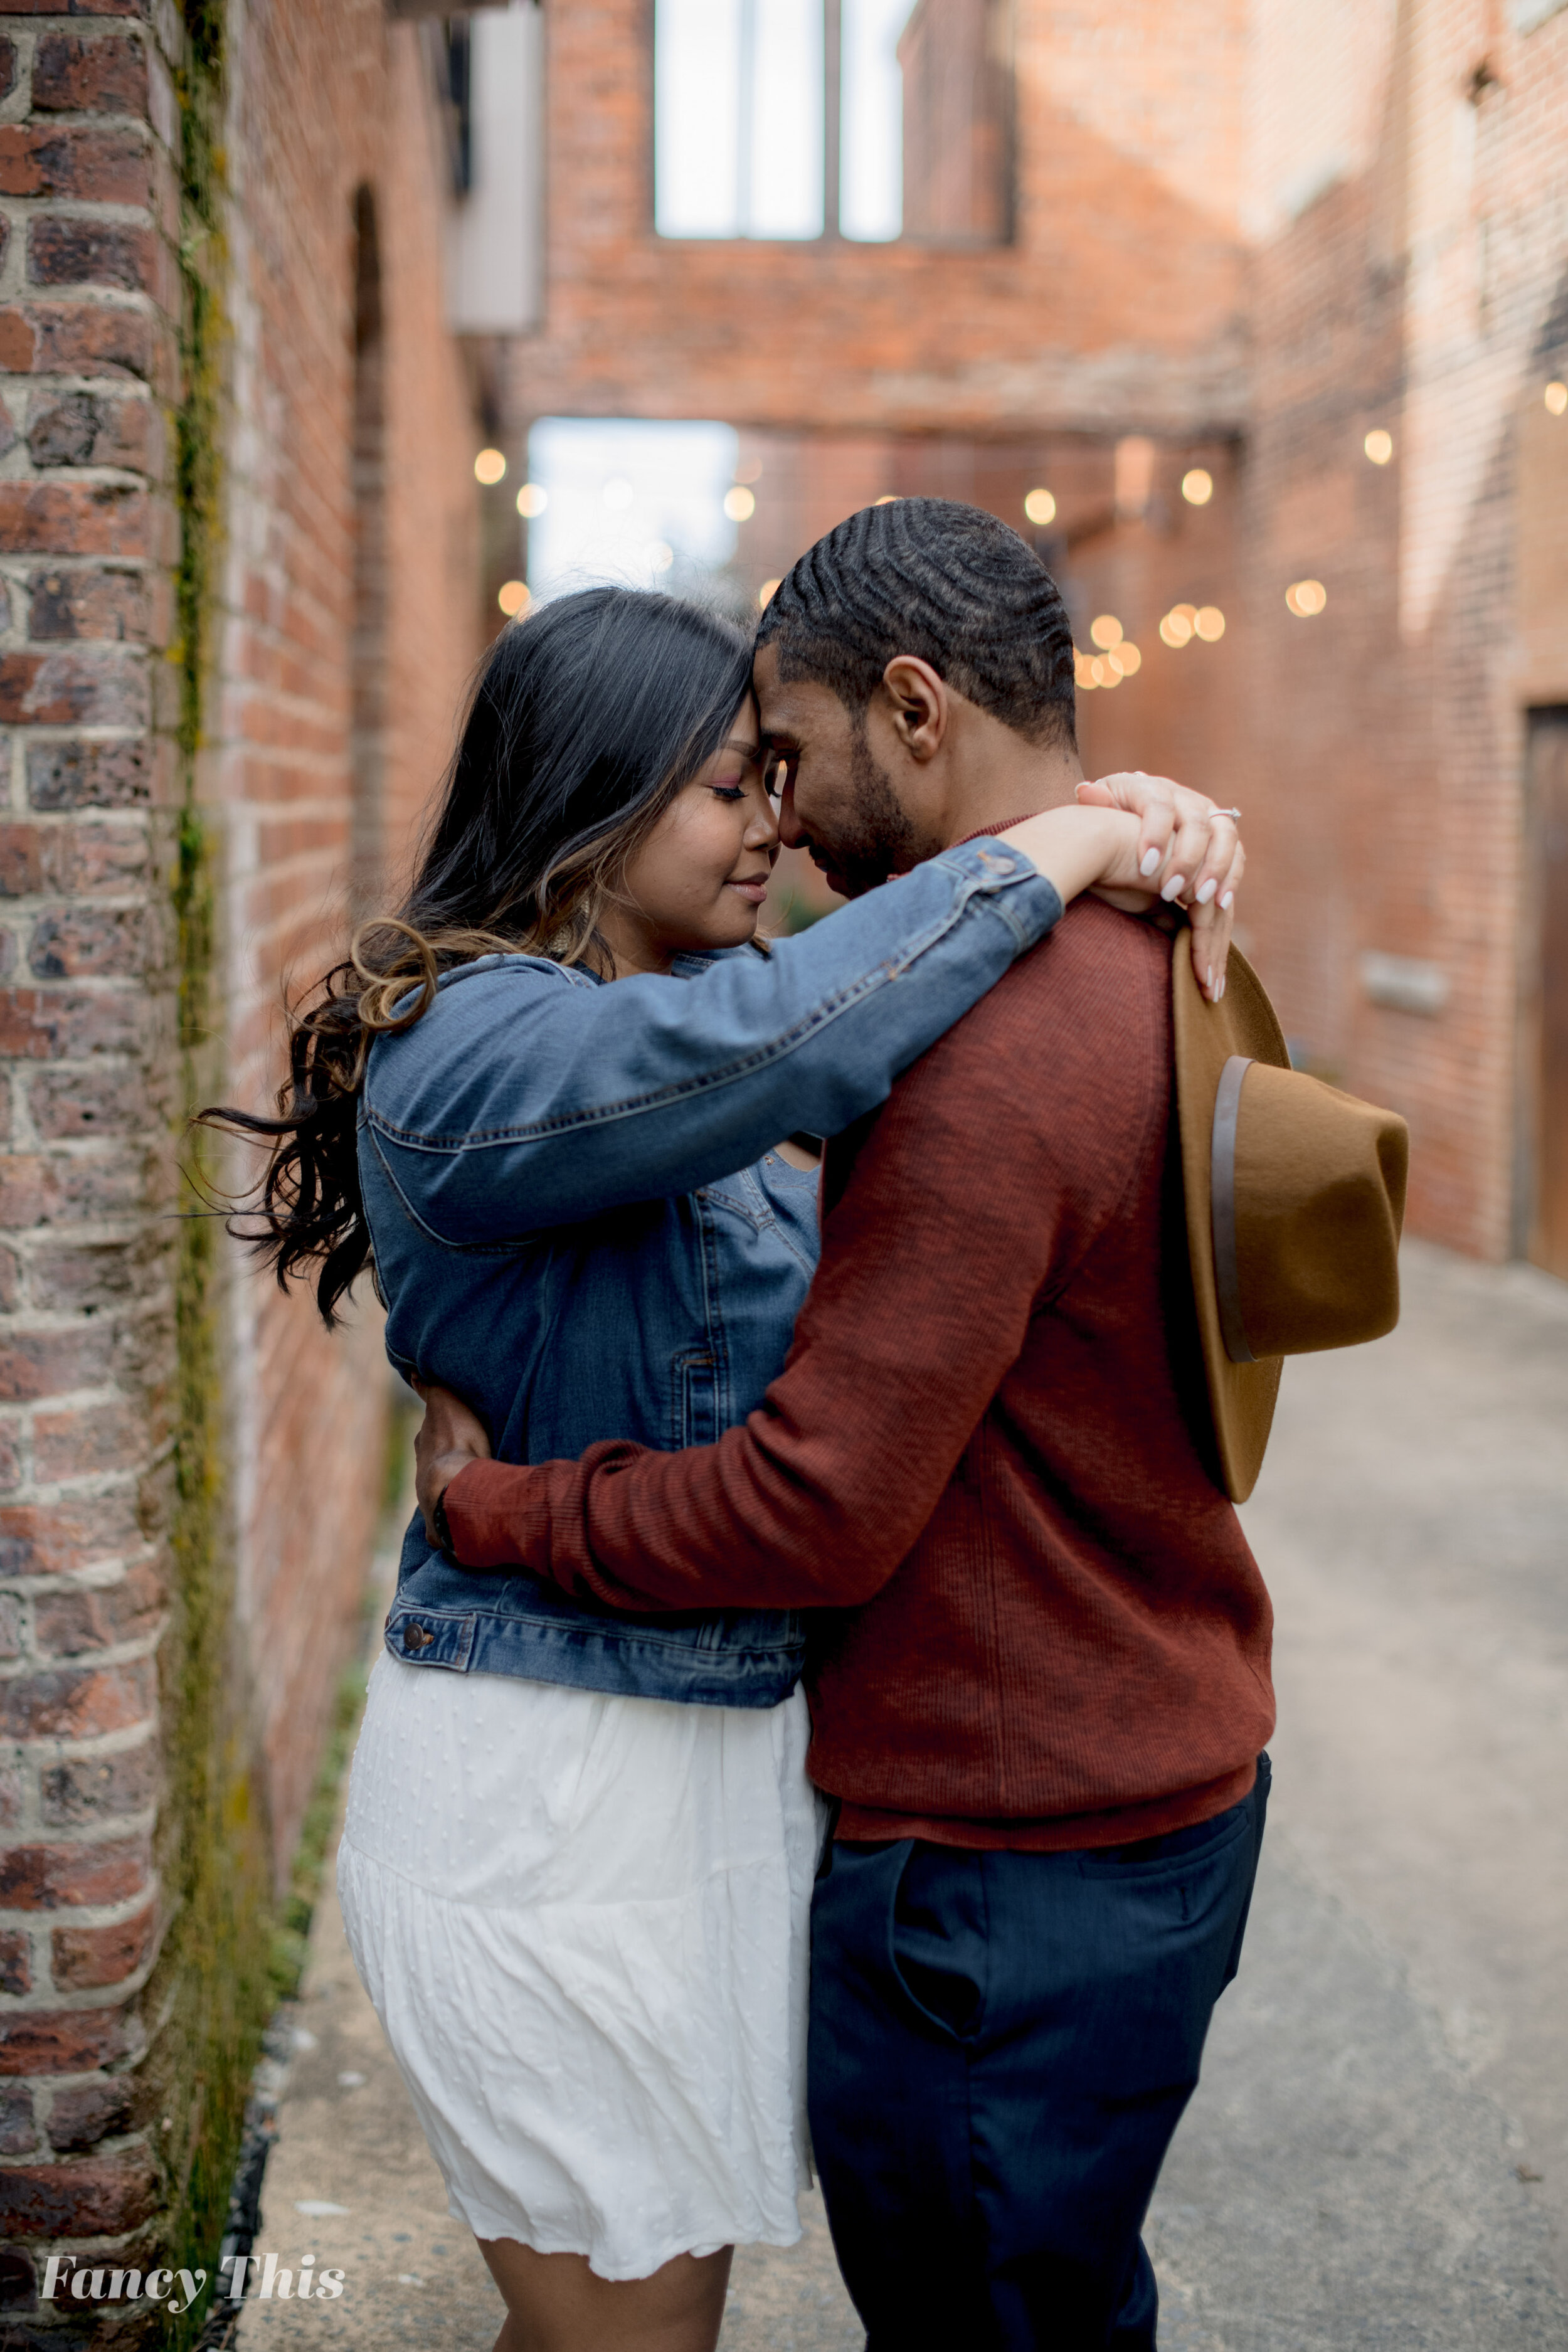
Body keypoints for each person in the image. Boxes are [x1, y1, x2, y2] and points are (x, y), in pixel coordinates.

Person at [208, 572, 1237, 2352]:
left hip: (716, 1782)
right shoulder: (473, 1045)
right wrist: (1055, 841)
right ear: (590, 802)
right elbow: (789, 1036)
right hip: (553, 1793)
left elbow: (847, 1056)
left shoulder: (694, 1028)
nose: (772, 825)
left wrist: (1137, 825)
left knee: (620, 2329)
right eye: (723, 787)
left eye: (777, 776)